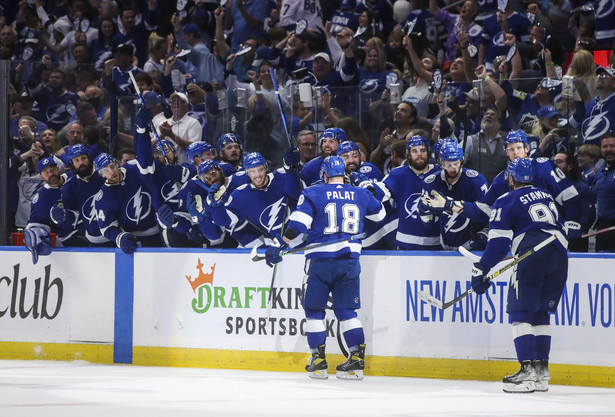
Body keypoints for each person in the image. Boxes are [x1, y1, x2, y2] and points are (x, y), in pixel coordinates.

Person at [264, 155, 385, 380]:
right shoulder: (360, 193)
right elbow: (380, 214)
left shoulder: (313, 192)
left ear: (325, 175)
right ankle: (357, 361)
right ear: (344, 174)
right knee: (347, 312)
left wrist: (280, 243)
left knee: (314, 312)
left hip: (320, 262)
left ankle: (318, 362)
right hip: (350, 262)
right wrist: (366, 190)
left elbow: (298, 224)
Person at [470, 158, 568, 393]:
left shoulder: (506, 199)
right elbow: (563, 228)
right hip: (560, 253)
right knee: (541, 313)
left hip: (533, 253)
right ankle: (541, 372)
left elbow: (499, 243)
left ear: (511, 179)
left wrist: (481, 269)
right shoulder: (546, 196)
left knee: (520, 312)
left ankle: (526, 374)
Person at [209, 150, 301, 245]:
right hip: (275, 247)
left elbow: (300, 194)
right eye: (253, 171)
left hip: (301, 239)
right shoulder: (240, 195)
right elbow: (224, 221)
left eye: (260, 169)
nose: (258, 175)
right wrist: (216, 206)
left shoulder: (282, 175)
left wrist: (292, 169)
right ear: (247, 173)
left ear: (266, 168)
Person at [371, 135, 441, 250]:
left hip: (436, 241)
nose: (419, 154)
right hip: (406, 243)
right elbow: (382, 189)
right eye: (414, 151)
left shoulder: (439, 173)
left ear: (429, 153)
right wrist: (371, 189)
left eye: (423, 150)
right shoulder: (398, 174)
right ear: (408, 155)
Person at [421, 142, 488, 250]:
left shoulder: (476, 181)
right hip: (443, 246)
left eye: (456, 163)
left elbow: (488, 213)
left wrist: (485, 233)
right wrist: (425, 213)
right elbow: (428, 222)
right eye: (448, 164)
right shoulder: (431, 183)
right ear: (440, 162)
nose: (453, 168)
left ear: (461, 160)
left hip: (471, 245)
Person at [50, 144, 110, 246]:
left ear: (89, 158)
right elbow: (74, 217)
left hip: (117, 236)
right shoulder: (69, 187)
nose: (81, 163)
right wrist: (60, 216)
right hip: (92, 241)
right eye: (76, 160)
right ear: (72, 163)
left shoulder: (105, 175)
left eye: (83, 158)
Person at [552, 152, 595, 252]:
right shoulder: (550, 187)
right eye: (553, 162)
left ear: (570, 166)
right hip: (554, 239)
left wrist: (576, 230)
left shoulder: (582, 188)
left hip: (576, 240)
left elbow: (588, 215)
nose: (554, 165)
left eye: (559, 162)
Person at [158, 92, 203, 165]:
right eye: (173, 101)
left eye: (178, 101)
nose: (175, 104)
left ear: (186, 105)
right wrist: (162, 135)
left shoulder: (193, 123)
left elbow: (194, 147)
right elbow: (155, 147)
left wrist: (171, 135)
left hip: (187, 168)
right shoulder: (163, 123)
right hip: (166, 167)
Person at [593, 133, 615, 252]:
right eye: (605, 147)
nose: (609, 150)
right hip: (603, 228)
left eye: (612, 146)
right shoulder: (599, 172)